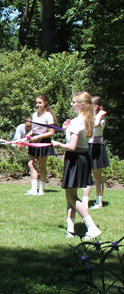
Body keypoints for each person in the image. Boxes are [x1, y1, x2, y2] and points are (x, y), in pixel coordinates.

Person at [52, 92, 101, 240]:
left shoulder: (76, 121)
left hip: (74, 159)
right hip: (83, 157)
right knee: (70, 195)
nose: (71, 104)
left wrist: (58, 145)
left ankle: (92, 228)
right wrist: (66, 129)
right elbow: (79, 141)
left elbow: (72, 146)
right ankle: (70, 229)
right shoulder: (87, 120)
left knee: (71, 196)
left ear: (81, 105)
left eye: (73, 102)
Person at [25, 95, 57, 196]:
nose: (38, 105)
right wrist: (30, 133)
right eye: (37, 103)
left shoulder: (48, 116)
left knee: (41, 166)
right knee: (31, 164)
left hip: (43, 141)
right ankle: (33, 189)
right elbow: (34, 128)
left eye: (40, 103)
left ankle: (41, 190)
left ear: (45, 103)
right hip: (34, 140)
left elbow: (51, 132)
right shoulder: (34, 115)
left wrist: (39, 137)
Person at [82, 96, 109, 209]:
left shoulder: (101, 118)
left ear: (96, 106)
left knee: (97, 176)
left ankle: (99, 202)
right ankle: (84, 202)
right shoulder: (89, 116)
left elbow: (96, 125)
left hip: (97, 148)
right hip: (87, 146)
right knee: (86, 174)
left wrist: (101, 114)